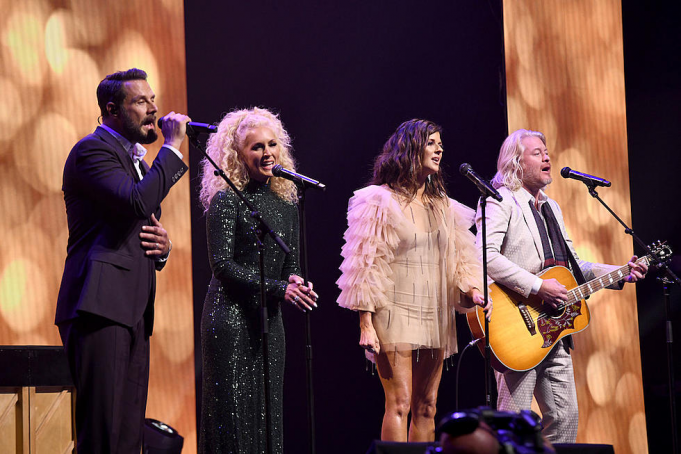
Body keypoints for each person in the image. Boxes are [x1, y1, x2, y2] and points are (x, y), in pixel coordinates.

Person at [475, 129, 648, 443]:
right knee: (512, 426)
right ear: (515, 162)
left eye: (546, 151)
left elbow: (573, 266)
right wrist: (537, 288)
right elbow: (484, 255)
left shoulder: (552, 208)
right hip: (517, 327)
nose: (547, 157)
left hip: (556, 329)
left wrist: (621, 271)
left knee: (565, 422)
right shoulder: (500, 200)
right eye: (537, 152)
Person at [55, 68, 191, 453]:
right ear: (112, 110)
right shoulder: (92, 151)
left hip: (131, 310)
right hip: (99, 307)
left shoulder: (135, 162)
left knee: (129, 438)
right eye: (141, 102)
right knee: (103, 433)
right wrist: (173, 148)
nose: (154, 109)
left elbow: (140, 219)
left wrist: (162, 249)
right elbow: (136, 202)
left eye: (153, 99)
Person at [337, 119, 492, 442]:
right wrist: (365, 323)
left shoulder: (443, 206)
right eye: (432, 143)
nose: (440, 149)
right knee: (400, 403)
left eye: (440, 144)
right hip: (393, 310)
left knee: (427, 406)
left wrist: (473, 290)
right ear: (410, 148)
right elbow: (365, 264)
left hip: (433, 313)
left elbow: (462, 256)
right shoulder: (379, 200)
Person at [198, 107, 318, 453]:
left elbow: (289, 262)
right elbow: (222, 266)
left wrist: (294, 282)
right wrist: (281, 288)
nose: (267, 153)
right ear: (237, 155)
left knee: (268, 415)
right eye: (256, 147)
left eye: (272, 144)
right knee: (232, 419)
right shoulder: (226, 200)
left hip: (269, 320)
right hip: (230, 321)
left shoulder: (286, 201)